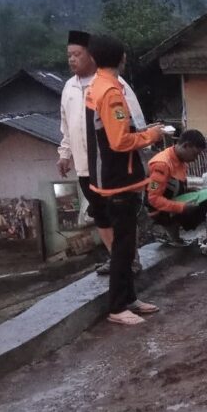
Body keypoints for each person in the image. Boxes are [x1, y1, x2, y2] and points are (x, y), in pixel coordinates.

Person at [85, 34, 164, 326]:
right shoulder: (110, 92)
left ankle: (130, 298)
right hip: (120, 178)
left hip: (112, 175)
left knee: (127, 243)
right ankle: (117, 307)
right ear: (121, 58)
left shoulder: (98, 87)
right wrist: (152, 136)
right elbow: (119, 141)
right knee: (122, 247)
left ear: (93, 59)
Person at [57, 30, 147, 275]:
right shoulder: (68, 88)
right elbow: (66, 126)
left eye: (77, 54)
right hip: (85, 167)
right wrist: (65, 154)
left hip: (110, 165)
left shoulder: (115, 86)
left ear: (93, 57)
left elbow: (136, 122)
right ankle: (116, 257)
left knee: (121, 215)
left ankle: (130, 259)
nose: (71, 60)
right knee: (100, 215)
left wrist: (145, 144)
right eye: (69, 55)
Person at [146, 129, 207, 244]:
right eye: (195, 154)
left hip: (171, 201)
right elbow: (153, 199)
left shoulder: (180, 161)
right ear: (186, 145)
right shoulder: (161, 165)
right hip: (158, 210)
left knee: (206, 196)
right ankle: (170, 227)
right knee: (202, 204)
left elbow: (179, 184)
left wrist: (189, 190)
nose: (195, 159)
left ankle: (174, 232)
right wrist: (182, 207)